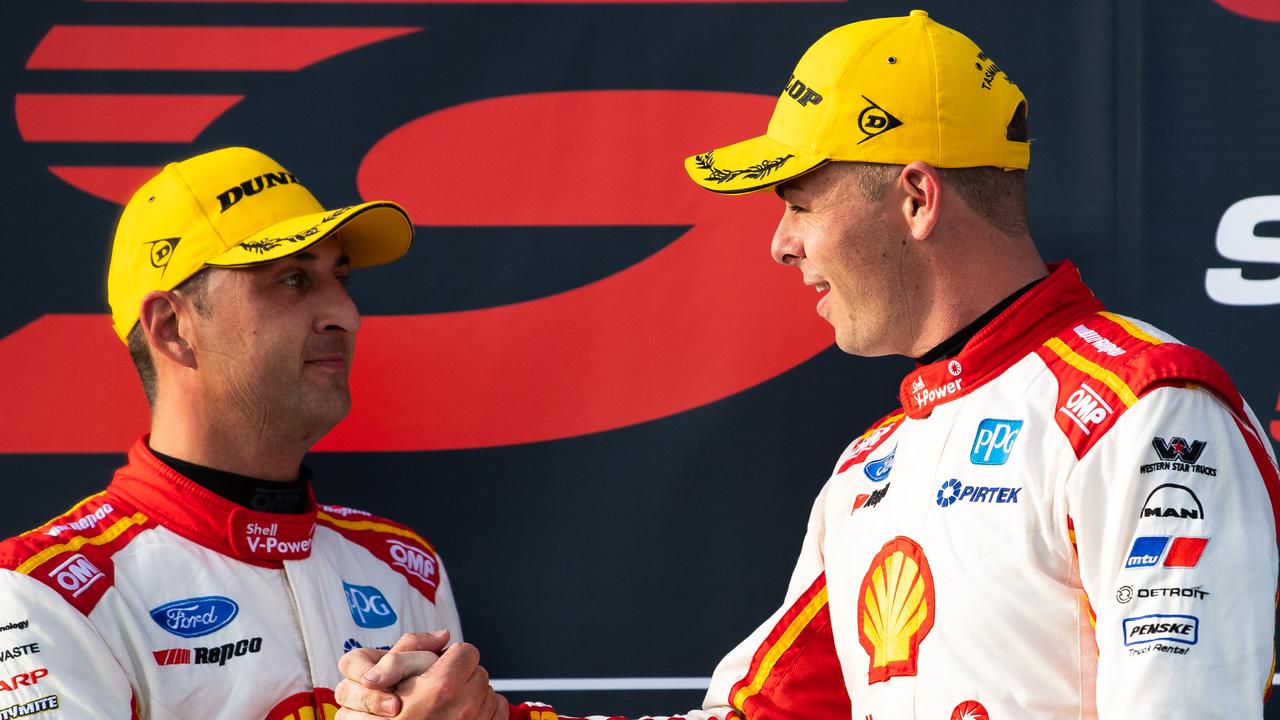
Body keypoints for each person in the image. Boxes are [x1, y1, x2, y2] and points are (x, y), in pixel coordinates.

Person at [332, 9, 1280, 720]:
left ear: (915, 196)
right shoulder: (875, 470)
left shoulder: (1145, 412)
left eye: (799, 201)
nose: (781, 246)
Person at [0, 147, 506, 720]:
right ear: (172, 329)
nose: (346, 312)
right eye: (293, 279)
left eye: (338, 277)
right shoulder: (44, 595)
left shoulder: (402, 567)